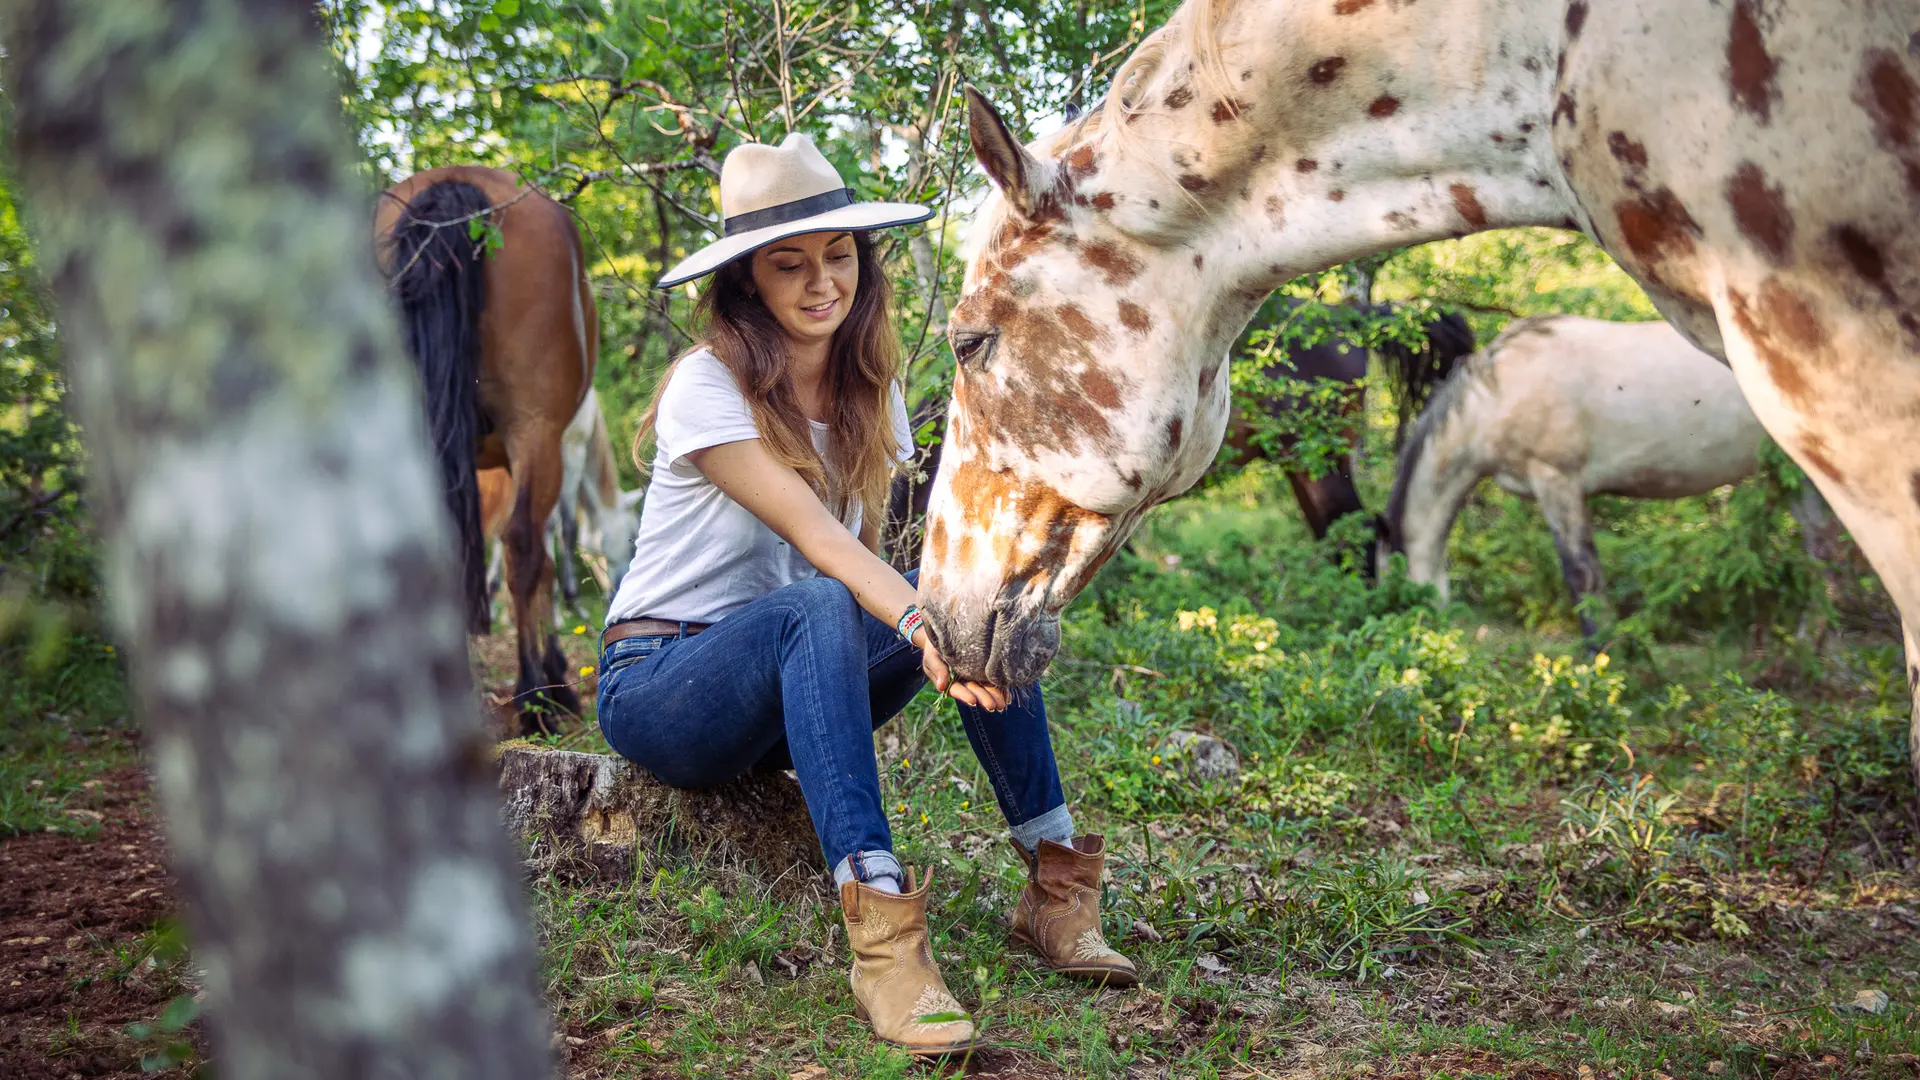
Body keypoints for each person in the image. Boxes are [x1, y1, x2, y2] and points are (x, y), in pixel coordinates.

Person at [596, 133, 1137, 1056]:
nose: (821, 283)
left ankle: (1054, 885)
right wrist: (916, 619)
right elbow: (818, 542)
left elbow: (894, 562)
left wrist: (950, 618)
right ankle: (885, 940)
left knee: (982, 604)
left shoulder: (869, 394)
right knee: (828, 602)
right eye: (789, 264)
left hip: (792, 684)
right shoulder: (706, 383)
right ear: (747, 283)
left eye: (839, 256)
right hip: (665, 682)